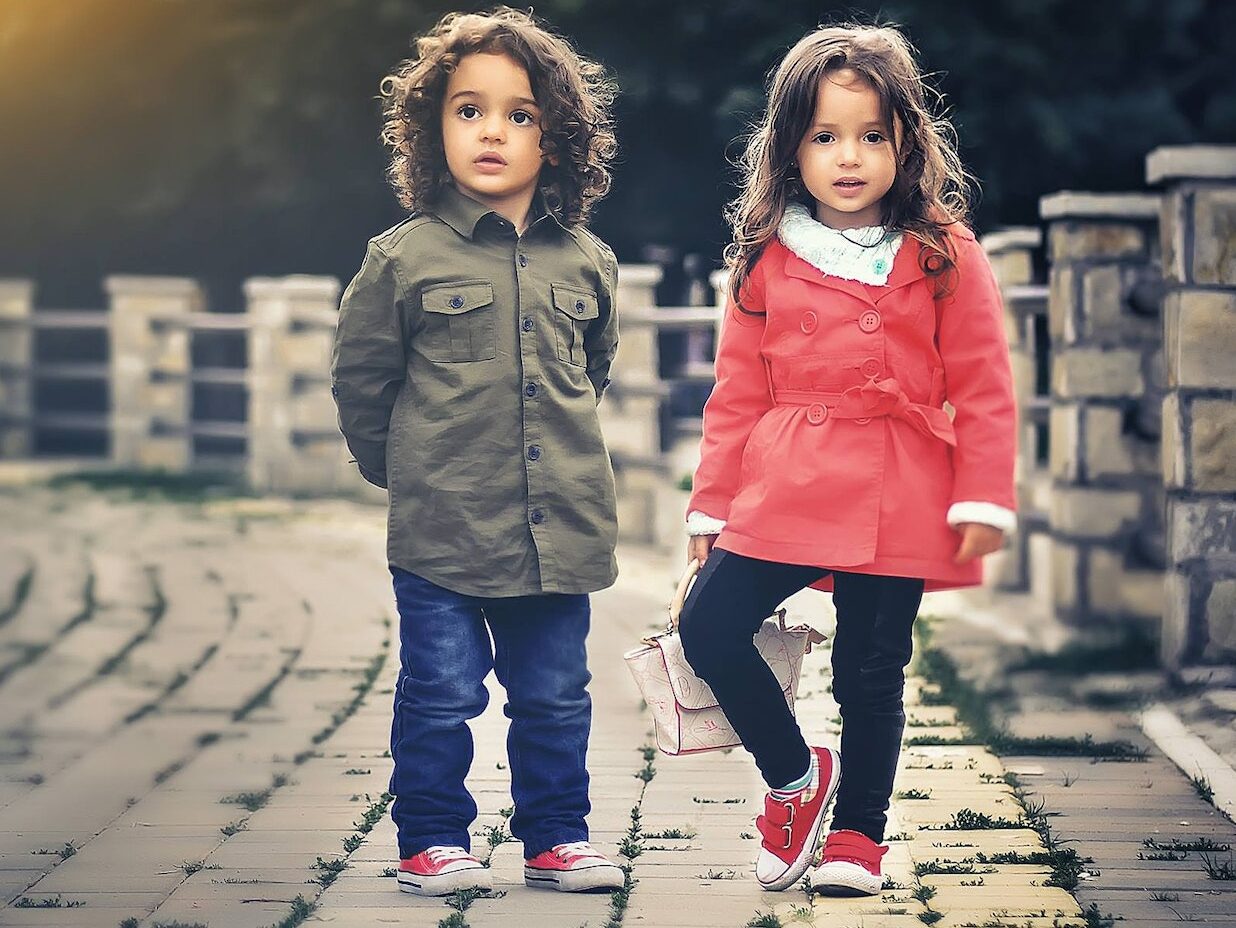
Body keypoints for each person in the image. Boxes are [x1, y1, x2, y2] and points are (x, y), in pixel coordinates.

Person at [678, 23, 1017, 897]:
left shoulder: (942, 249)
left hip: (899, 477)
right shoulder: (767, 256)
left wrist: (982, 496)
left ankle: (859, 836)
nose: (850, 156)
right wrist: (710, 512)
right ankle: (796, 780)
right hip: (785, 477)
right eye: (825, 136)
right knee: (707, 626)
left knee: (873, 667)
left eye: (872, 135)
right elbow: (735, 396)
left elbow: (983, 382)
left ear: (907, 139)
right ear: (791, 148)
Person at [330, 7, 625, 897]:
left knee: (554, 698)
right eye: (468, 110)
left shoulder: (588, 263)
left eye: (519, 114)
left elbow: (592, 372)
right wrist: (412, 473)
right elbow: (362, 384)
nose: (492, 130)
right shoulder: (400, 260)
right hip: (442, 531)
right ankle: (430, 838)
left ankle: (557, 838)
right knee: (441, 693)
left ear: (557, 138)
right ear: (433, 130)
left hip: (560, 530)